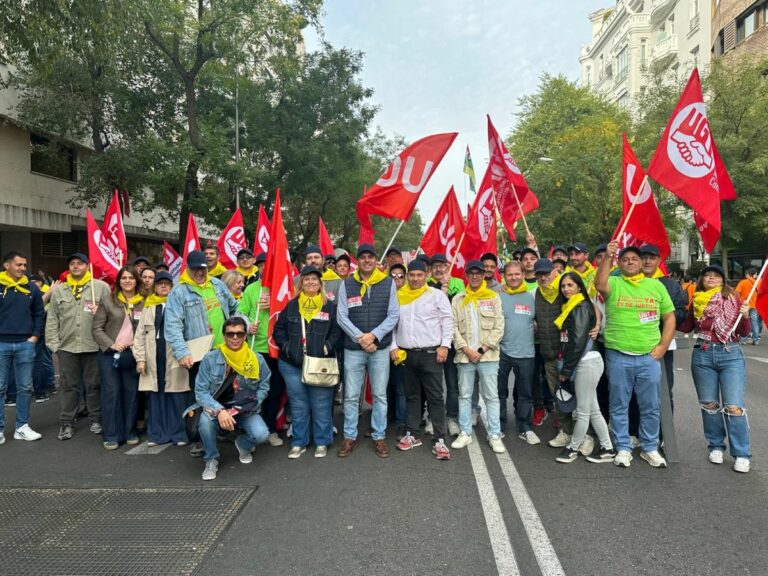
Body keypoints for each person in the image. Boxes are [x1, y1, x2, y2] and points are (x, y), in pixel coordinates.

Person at [595, 241, 675, 469]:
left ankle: (650, 447)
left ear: (641, 264)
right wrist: (608, 257)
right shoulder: (614, 282)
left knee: (650, 405)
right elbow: (599, 283)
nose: (630, 262)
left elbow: (669, 317)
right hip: (618, 354)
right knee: (618, 404)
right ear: (619, 263)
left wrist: (662, 346)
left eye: (635, 259)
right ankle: (623, 447)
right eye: (625, 259)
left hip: (649, 357)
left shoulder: (656, 286)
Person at [165, 250, 239, 456]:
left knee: (226, 393)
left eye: (203, 268)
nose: (199, 272)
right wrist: (181, 352)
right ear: (188, 268)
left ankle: (222, 431)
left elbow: (235, 308)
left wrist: (242, 327)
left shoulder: (218, 285)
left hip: (224, 351)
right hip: (198, 355)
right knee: (197, 396)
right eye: (195, 268)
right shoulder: (179, 292)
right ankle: (196, 438)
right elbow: (172, 326)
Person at [679, 265, 752, 473]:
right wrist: (667, 315)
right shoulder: (697, 301)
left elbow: (744, 332)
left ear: (723, 280)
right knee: (710, 405)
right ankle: (716, 446)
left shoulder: (733, 299)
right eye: (708, 275)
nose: (711, 278)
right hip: (702, 354)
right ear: (702, 280)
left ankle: (741, 454)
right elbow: (686, 326)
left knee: (734, 406)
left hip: (730, 353)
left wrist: (745, 316)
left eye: (716, 276)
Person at [336, 243, 399, 458]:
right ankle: (349, 436)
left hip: (379, 348)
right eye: (362, 257)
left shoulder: (387, 282)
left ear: (375, 261)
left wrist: (373, 336)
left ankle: (379, 436)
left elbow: (393, 315)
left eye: (370, 257)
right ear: (358, 261)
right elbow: (341, 316)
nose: (366, 261)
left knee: (380, 395)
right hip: (354, 349)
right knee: (352, 396)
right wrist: (361, 338)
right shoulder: (347, 284)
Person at [273, 265, 342, 459]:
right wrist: (287, 348)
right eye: (306, 279)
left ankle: (322, 441)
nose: (310, 282)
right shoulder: (292, 305)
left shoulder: (328, 306)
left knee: (321, 403)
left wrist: (327, 347)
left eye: (314, 279)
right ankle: (299, 442)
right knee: (298, 404)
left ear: (321, 283)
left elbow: (337, 330)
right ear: (301, 283)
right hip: (292, 364)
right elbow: (278, 330)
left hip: (320, 363)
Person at [192, 317, 271, 481]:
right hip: (216, 407)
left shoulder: (256, 359)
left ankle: (243, 444)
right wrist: (219, 410)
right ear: (224, 336)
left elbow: (264, 385)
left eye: (239, 334)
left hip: (243, 409)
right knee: (205, 423)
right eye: (230, 334)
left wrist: (254, 402)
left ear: (245, 336)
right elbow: (200, 391)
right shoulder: (210, 358)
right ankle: (211, 459)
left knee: (262, 434)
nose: (235, 338)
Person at [391, 259, 453, 460]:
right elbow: (392, 325)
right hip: (406, 355)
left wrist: (444, 346)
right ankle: (412, 434)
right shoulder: (398, 296)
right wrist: (393, 347)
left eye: (419, 275)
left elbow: (447, 321)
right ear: (407, 276)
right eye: (412, 275)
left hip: (431, 354)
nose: (415, 278)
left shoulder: (436, 296)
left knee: (435, 397)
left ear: (426, 275)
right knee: (412, 396)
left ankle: (439, 439)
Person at [46, 253, 110, 440]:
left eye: (80, 264)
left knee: (94, 385)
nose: (76, 267)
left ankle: (96, 419)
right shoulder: (60, 290)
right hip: (67, 347)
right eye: (72, 264)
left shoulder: (100, 288)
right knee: (69, 386)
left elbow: (112, 315)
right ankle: (67, 422)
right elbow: (52, 319)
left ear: (87, 266)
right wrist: (54, 345)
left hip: (93, 345)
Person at [553, 272, 614, 464]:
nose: (566, 289)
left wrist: (566, 371)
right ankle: (608, 448)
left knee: (583, 411)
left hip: (585, 362)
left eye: (570, 285)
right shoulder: (573, 306)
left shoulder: (579, 307)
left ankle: (573, 447)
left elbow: (577, 343)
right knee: (593, 409)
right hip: (585, 361)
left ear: (579, 287)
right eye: (563, 286)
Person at [450, 260, 506, 454]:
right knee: (464, 396)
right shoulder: (458, 299)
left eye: (478, 273)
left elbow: (499, 327)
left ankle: (495, 435)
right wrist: (466, 349)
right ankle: (465, 432)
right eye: (471, 273)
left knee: (491, 397)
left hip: (488, 356)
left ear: (484, 275)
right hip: (465, 357)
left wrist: (480, 350)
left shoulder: (493, 297)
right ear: (466, 275)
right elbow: (453, 327)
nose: (475, 276)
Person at [92, 266, 145, 449]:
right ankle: (112, 434)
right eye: (124, 278)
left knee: (131, 394)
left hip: (133, 354)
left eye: (131, 278)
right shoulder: (108, 300)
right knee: (112, 394)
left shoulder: (143, 302)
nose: (128, 281)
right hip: (110, 355)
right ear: (118, 281)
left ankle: (130, 431)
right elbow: (96, 329)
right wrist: (110, 344)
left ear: (136, 281)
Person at [134, 271, 189, 447]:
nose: (163, 286)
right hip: (153, 358)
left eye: (167, 283)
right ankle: (157, 435)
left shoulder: (180, 306)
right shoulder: (147, 308)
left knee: (177, 394)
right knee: (155, 396)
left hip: (174, 357)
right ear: (154, 287)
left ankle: (179, 434)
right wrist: (140, 359)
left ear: (172, 287)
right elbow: (139, 336)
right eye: (160, 283)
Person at [0, 251, 45, 443]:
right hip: (1, 343)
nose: (23, 269)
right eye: (19, 265)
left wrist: (35, 336)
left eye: (24, 265)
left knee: (25, 387)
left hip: (25, 344)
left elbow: (38, 313)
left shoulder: (31, 288)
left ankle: (21, 427)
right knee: (0, 387)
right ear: (6, 265)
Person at [534, 259, 579, 450]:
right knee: (558, 396)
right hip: (548, 353)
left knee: (579, 398)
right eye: (539, 274)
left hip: (567, 354)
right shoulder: (537, 292)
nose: (543, 277)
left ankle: (585, 435)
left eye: (546, 273)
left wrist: (594, 324)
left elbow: (584, 306)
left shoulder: (563, 290)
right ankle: (565, 431)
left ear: (554, 272)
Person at [238, 261, 283, 447]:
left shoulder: (282, 287)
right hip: (255, 350)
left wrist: (272, 306)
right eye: (262, 265)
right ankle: (251, 431)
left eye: (269, 264)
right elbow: (240, 312)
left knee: (275, 391)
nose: (266, 268)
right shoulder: (251, 289)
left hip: (277, 349)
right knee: (252, 392)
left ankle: (270, 429)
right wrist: (248, 325)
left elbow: (289, 311)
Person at [497, 261, 539, 445]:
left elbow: (539, 321)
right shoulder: (498, 296)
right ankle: (498, 425)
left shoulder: (532, 296)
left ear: (523, 274)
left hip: (527, 353)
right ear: (504, 276)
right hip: (501, 352)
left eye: (517, 274)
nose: (513, 277)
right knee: (499, 393)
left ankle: (525, 427)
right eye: (510, 274)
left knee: (525, 393)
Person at [427, 253, 466, 436]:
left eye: (442, 265)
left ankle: (451, 417)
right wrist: (439, 289)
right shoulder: (425, 284)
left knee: (452, 384)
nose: (439, 269)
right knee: (433, 384)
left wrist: (447, 289)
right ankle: (431, 418)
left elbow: (459, 308)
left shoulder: (457, 282)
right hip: (432, 342)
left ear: (447, 265)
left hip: (451, 341)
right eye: (435, 266)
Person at [387, 262, 407, 433]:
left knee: (401, 386)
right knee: (386, 386)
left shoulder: (409, 295)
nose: (397, 279)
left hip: (403, 348)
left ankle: (401, 421)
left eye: (400, 276)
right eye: (393, 276)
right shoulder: (384, 295)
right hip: (384, 346)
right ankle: (388, 416)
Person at [735, 268, 761, 345]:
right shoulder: (758, 282)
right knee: (754, 322)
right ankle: (756, 340)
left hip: (744, 305)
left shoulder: (743, 282)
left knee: (744, 321)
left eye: (746, 274)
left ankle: (743, 339)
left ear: (748, 274)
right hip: (754, 305)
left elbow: (737, 293)